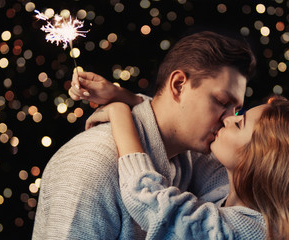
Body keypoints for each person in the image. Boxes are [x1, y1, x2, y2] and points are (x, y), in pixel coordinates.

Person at [32, 31, 256, 239]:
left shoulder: (192, 158)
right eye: (222, 102)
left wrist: (125, 105)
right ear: (178, 85)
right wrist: (128, 102)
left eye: (236, 111)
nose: (228, 119)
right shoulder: (93, 164)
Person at [86, 96, 289, 240]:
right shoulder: (225, 188)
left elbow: (148, 197)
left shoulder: (244, 233)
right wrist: (131, 99)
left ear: (261, 159)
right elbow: (178, 131)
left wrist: (121, 113)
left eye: (240, 123)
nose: (228, 118)